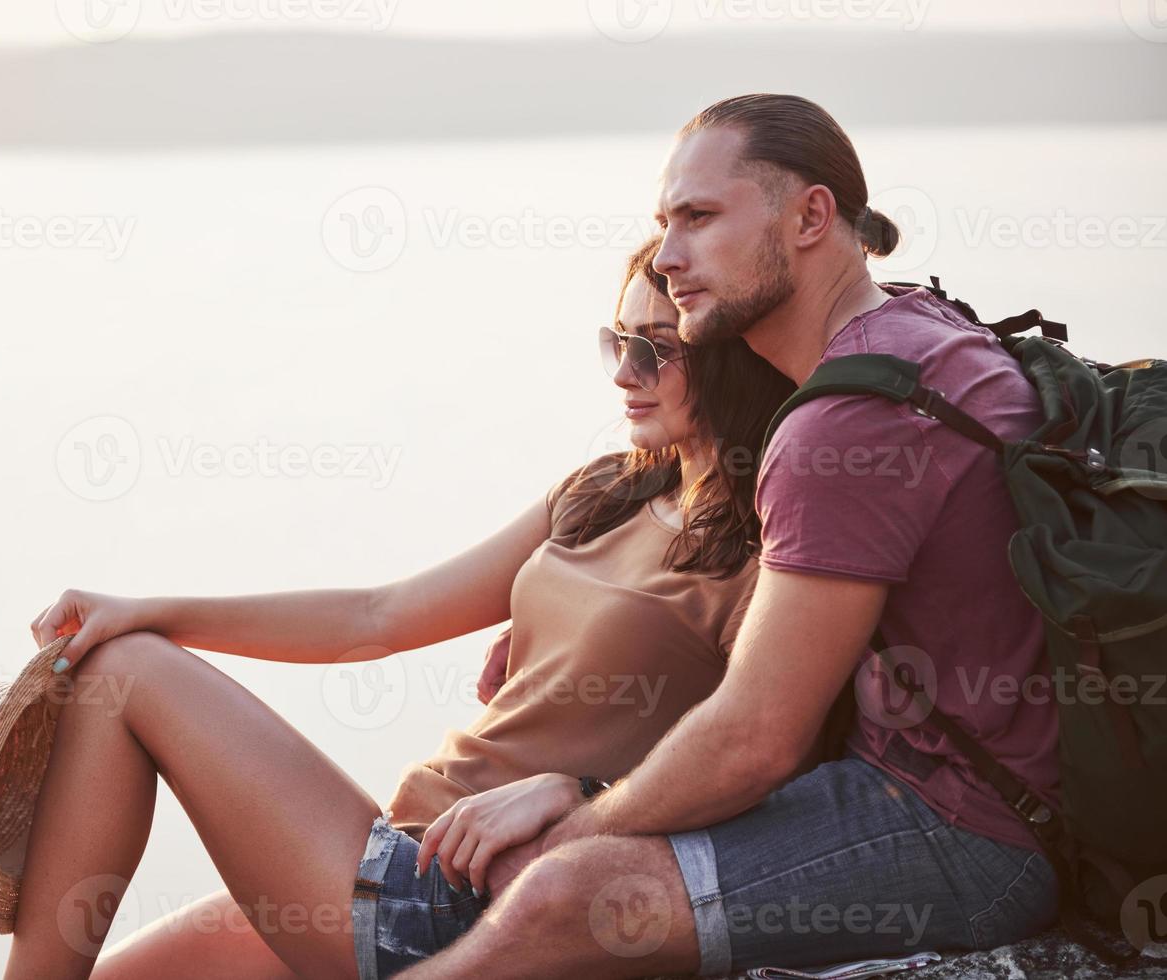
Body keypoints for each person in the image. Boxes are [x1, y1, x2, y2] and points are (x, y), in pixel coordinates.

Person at [2, 236, 797, 979]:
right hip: (393, 849)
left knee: (127, 670)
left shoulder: (771, 557)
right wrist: (149, 607)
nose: (626, 372)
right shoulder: (603, 490)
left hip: (465, 906)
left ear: (729, 351)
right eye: (617, 342)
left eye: (656, 348)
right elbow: (376, 617)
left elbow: (767, 774)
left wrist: (579, 792)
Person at [397, 93, 1064, 980]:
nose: (669, 258)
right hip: (961, 786)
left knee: (563, 891)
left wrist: (571, 823)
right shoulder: (919, 327)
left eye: (700, 219)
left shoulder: (845, 422)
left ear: (810, 216)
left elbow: (756, 739)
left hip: (961, 834)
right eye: (664, 224)